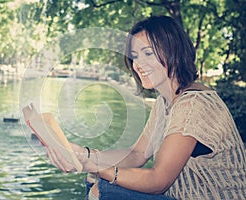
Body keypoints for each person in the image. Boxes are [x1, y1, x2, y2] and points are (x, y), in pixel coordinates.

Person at [44, 16, 246, 200]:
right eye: (135, 56)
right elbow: (137, 155)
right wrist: (82, 154)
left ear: (173, 49)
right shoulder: (164, 102)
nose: (138, 64)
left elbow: (159, 180)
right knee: (95, 181)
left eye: (147, 53)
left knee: (103, 190)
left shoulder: (193, 105)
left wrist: (94, 166)